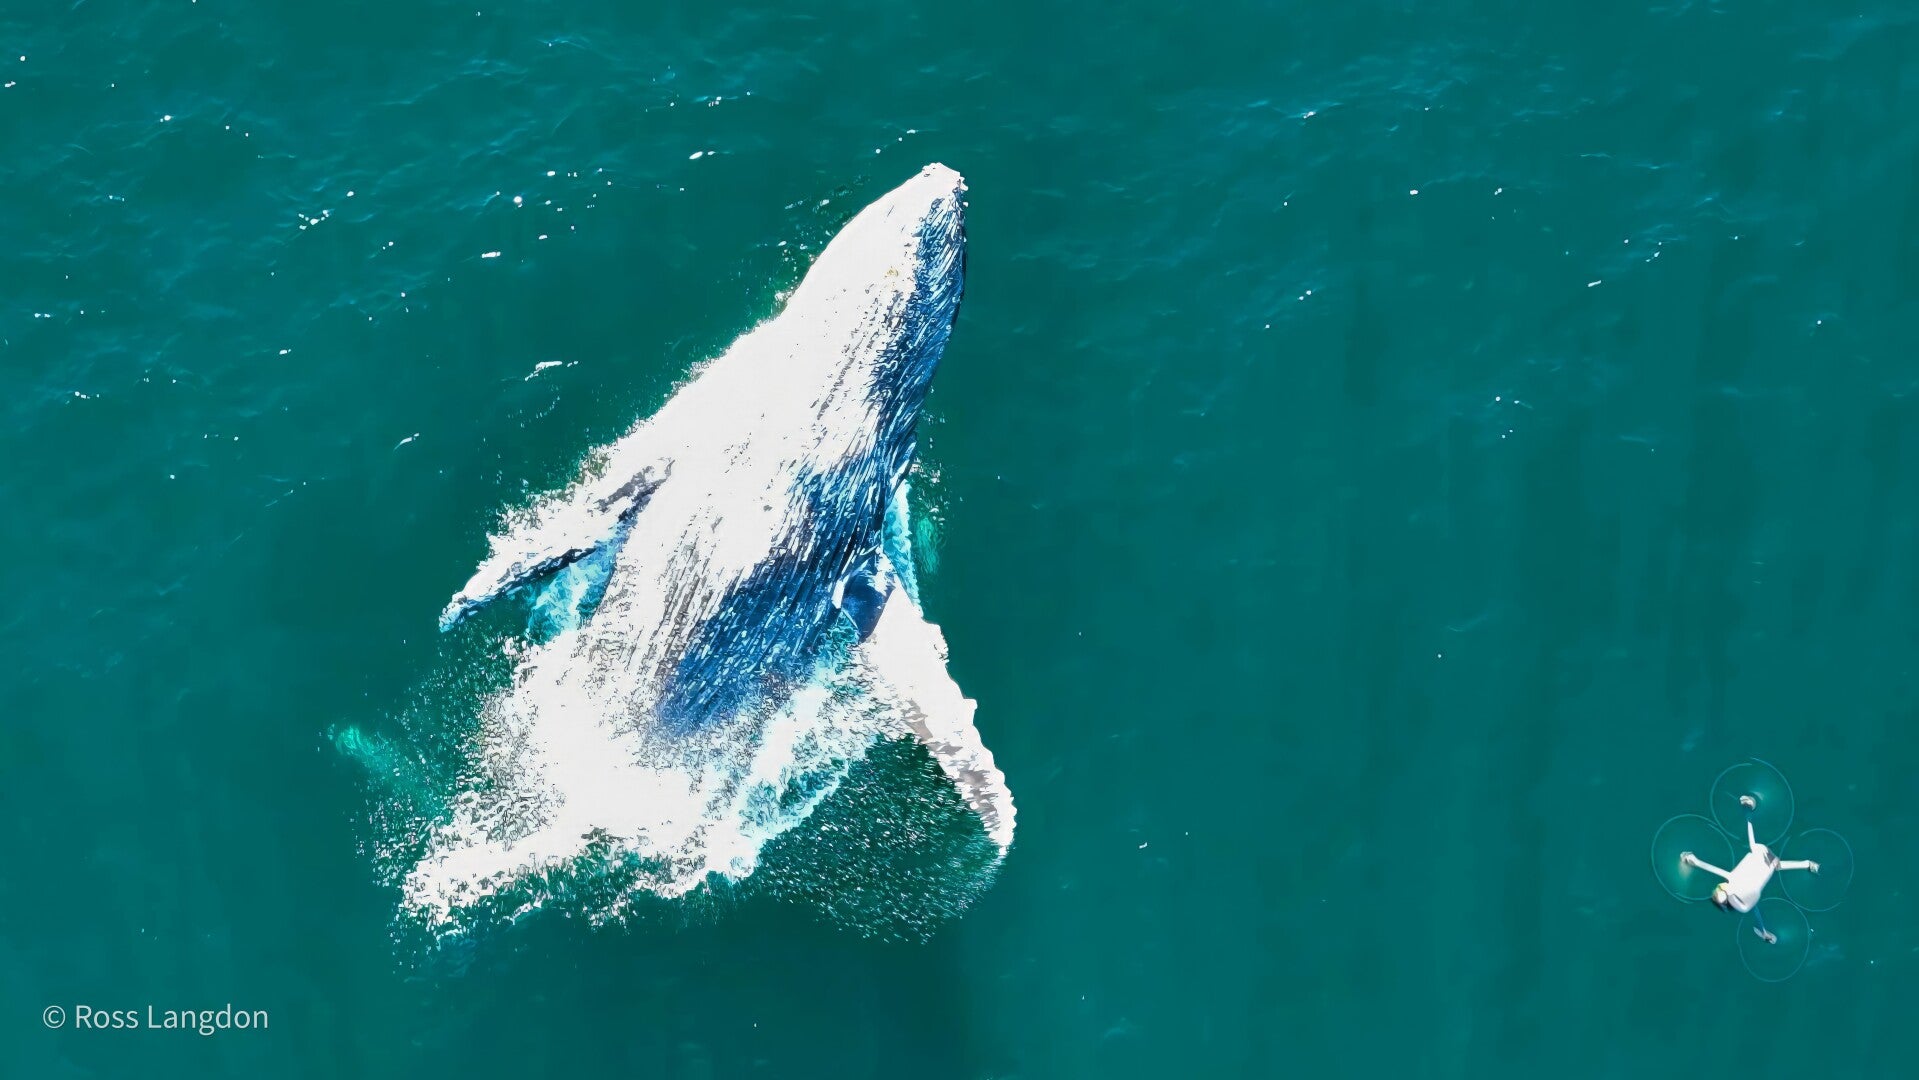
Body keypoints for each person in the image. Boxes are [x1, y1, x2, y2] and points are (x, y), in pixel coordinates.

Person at [1682, 807, 1818, 944]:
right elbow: (1713, 869)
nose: (1720, 886)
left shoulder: (1742, 896)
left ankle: (1808, 864)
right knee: (1760, 851)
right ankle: (1748, 812)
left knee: (1771, 861)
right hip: (1762, 853)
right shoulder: (1733, 882)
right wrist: (1694, 861)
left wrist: (1764, 932)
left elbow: (1754, 909)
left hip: (1765, 857)